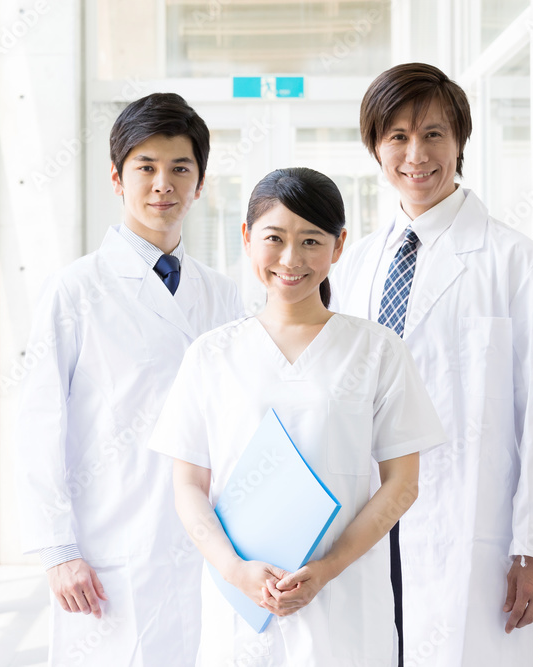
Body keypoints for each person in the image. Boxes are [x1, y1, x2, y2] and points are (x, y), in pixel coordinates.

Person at [148, 167, 447, 666]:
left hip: (346, 597)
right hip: (242, 603)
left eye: (311, 240)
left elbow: (403, 484)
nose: (291, 259)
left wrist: (327, 569)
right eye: (274, 238)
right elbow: (187, 485)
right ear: (247, 239)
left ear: (339, 245)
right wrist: (235, 570)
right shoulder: (211, 354)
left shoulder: (376, 350)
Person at [330, 63, 533, 667]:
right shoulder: (355, 264)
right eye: (398, 137)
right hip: (366, 525)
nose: (416, 155)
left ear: (460, 141)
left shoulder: (516, 261)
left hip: (469, 526)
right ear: (375, 147)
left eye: (434, 134)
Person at [14, 92, 244, 666]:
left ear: (200, 182)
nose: (163, 184)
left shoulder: (222, 293)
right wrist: (57, 549)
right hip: (109, 545)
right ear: (117, 179)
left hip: (208, 544)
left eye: (180, 168)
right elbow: (37, 423)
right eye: (146, 167)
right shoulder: (75, 290)